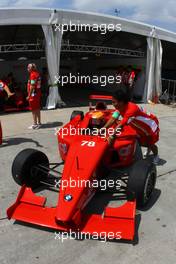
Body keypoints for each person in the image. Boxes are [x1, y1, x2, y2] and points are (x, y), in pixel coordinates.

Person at [103, 86, 160, 164]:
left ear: (121, 102)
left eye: (114, 102)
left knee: (150, 143)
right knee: (141, 142)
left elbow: (121, 125)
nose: (112, 104)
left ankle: (156, 156)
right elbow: (113, 118)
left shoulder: (131, 109)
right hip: (138, 126)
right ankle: (149, 148)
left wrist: (111, 135)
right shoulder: (120, 107)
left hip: (149, 125)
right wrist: (103, 128)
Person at [27, 63, 42, 129]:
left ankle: (35, 124)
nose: (27, 68)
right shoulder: (37, 74)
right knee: (37, 108)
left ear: (32, 68)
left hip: (33, 95)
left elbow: (32, 86)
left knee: (33, 109)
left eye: (28, 67)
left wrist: (29, 96)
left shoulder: (32, 75)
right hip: (37, 94)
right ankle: (39, 123)